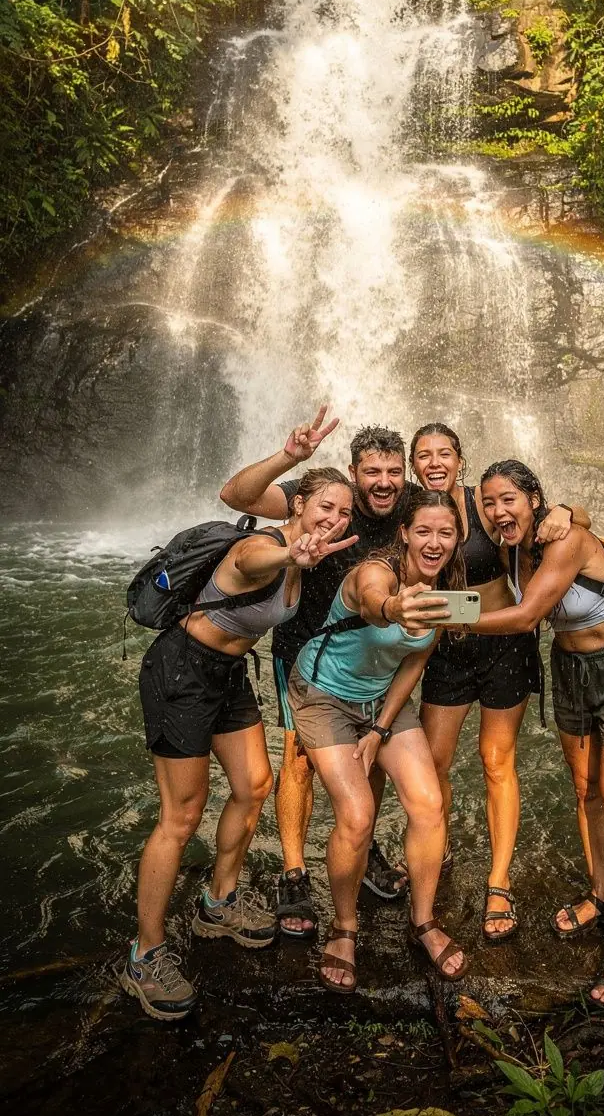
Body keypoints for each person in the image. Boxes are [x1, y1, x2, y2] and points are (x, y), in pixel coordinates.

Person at [121, 440, 356, 1022]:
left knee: (254, 785)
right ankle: (145, 955)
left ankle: (217, 902)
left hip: (226, 675)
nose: (333, 519)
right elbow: (250, 562)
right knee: (181, 815)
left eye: (343, 512)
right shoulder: (263, 546)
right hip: (182, 670)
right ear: (297, 504)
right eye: (324, 507)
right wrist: (290, 554)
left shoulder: (306, 556)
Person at [470, 459, 604, 1015]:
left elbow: (525, 615)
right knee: (587, 791)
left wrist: (444, 621)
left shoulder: (567, 539)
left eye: (508, 499)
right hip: (570, 670)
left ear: (534, 499)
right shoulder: (513, 549)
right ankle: (603, 896)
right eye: (489, 502)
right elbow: (509, 594)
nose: (498, 511)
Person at [220, 421, 425, 938]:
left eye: (393, 472)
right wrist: (289, 456)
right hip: (305, 650)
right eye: (372, 472)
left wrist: (567, 514)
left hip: (373, 656)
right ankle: (293, 873)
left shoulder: (408, 504)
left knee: (369, 751)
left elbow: (466, 510)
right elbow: (235, 496)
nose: (384, 482)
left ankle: (363, 846)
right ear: (354, 473)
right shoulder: (327, 497)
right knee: (299, 759)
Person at [409, 424, 585, 942]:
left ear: (460, 460)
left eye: (444, 453)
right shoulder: (411, 511)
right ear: (413, 465)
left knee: (496, 760)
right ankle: (436, 848)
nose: (435, 462)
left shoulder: (486, 507)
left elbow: (549, 515)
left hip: (505, 644)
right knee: (434, 761)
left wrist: (568, 511)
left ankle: (499, 881)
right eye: (424, 455)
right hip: (448, 650)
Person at [287, 489, 467, 994]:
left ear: (457, 539)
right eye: (424, 531)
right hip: (322, 695)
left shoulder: (445, 589)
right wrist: (393, 606)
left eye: (446, 533)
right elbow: (372, 603)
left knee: (428, 803)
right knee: (358, 814)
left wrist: (380, 729)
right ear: (404, 533)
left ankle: (423, 921)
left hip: (380, 698)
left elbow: (414, 661)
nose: (434, 543)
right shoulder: (375, 573)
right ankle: (345, 926)